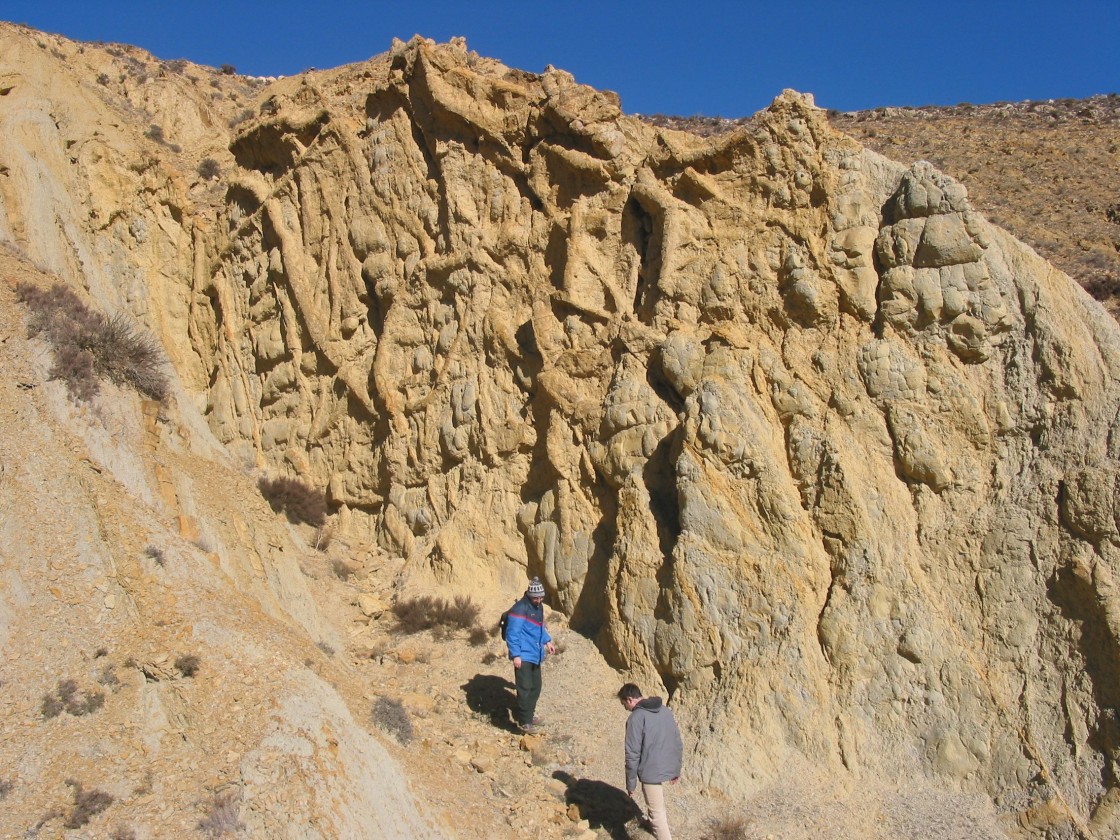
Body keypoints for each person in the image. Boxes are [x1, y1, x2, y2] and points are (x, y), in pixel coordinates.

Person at [618, 682, 683, 840]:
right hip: (667, 764)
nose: (625, 708)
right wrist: (676, 770)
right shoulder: (665, 710)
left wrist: (631, 784)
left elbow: (632, 754)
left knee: (657, 814)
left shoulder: (636, 718)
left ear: (630, 699)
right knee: (658, 809)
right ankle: (653, 827)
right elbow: (677, 741)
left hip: (651, 771)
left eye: (624, 704)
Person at [505, 576, 556, 733]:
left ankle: (529, 715)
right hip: (524, 655)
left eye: (541, 597)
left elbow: (539, 627)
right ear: (530, 595)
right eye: (537, 598)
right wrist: (516, 655)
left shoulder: (538, 607)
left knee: (536, 687)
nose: (539, 600)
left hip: (536, 653)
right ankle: (525, 722)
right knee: (525, 687)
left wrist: (547, 641)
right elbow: (512, 633)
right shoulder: (519, 609)